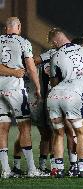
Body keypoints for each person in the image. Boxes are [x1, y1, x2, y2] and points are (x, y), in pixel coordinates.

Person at [47, 28, 83, 177]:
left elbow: (53, 82)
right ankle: (82, 168)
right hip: (72, 96)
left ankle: (57, 169)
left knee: (58, 133)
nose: (52, 45)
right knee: (80, 133)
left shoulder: (56, 55)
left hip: (54, 96)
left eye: (52, 43)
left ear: (56, 41)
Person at [0, 17, 43, 178]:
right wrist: (38, 88)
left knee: (2, 128)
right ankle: (32, 169)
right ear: (18, 27)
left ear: (6, 28)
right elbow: (31, 68)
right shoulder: (23, 42)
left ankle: (5, 170)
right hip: (15, 88)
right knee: (24, 126)